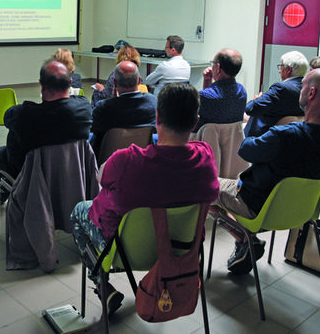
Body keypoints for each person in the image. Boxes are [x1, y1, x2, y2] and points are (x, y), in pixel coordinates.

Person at [71, 83, 219, 315]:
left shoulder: (127, 160)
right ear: (195, 121)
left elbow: (100, 177)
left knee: (80, 210)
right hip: (183, 251)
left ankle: (101, 283)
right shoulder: (205, 156)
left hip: (125, 254)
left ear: (157, 116)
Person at [211, 68, 320, 274]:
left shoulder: (286, 134)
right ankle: (247, 239)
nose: (299, 90)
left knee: (201, 185)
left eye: (303, 86)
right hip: (302, 212)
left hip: (257, 207)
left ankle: (244, 238)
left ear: (311, 93)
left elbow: (246, 150)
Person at [0, 58, 92, 191]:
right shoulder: (84, 107)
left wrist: (41, 106)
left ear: (41, 85)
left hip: (32, 176)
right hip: (71, 174)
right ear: (70, 83)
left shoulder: (25, 114)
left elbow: (8, 117)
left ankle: (6, 195)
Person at [89, 61, 157, 154]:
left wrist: (112, 100)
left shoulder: (103, 108)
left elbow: (93, 132)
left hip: (107, 163)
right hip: (141, 160)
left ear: (115, 83)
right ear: (139, 81)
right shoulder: (153, 103)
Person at [243, 50, 308, 138]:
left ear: (289, 69)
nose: (280, 71)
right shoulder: (307, 89)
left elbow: (250, 108)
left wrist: (256, 100)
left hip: (263, 138)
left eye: (281, 67)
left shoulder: (281, 88)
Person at [195, 48, 247, 132]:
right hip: (232, 144)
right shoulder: (242, 92)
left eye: (213, 63)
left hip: (204, 143)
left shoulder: (204, 97)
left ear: (218, 68)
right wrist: (208, 81)